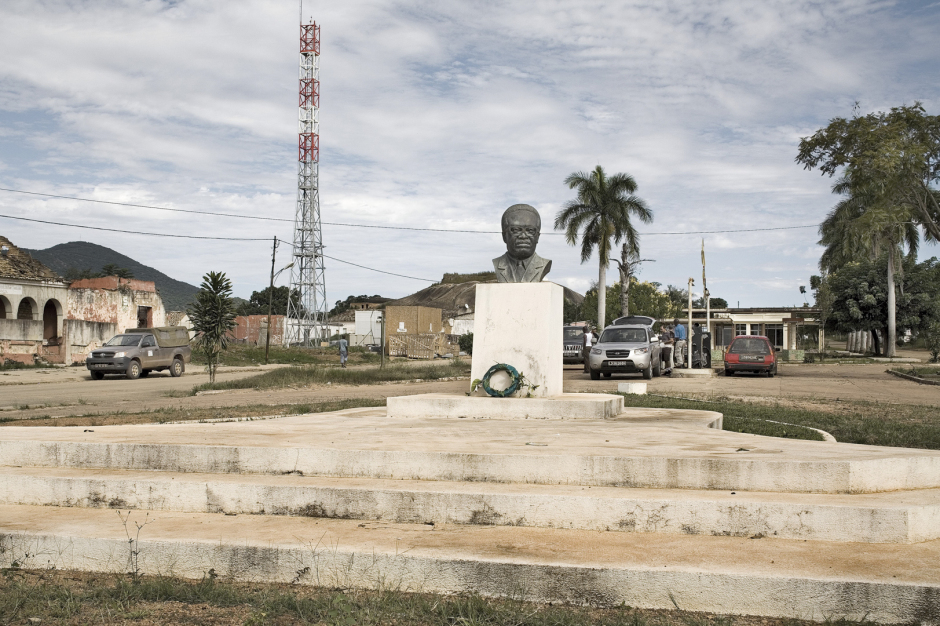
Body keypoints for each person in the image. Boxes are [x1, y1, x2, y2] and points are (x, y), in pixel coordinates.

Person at [492, 204, 552, 283]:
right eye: (516, 230)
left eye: (530, 230)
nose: (523, 236)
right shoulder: (497, 263)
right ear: (504, 236)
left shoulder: (544, 264)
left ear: (537, 236)